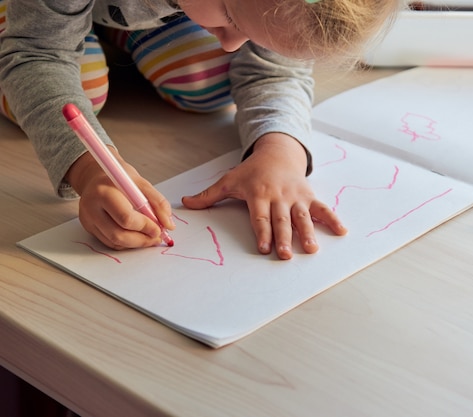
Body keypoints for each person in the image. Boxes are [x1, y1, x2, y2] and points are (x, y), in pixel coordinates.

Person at [0, 0, 398, 260]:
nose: (231, 45)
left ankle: (109, 34)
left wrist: (280, 151)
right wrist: (88, 168)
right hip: (31, 17)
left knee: (205, 80)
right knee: (80, 90)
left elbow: (276, 69)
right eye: (230, 20)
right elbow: (36, 52)